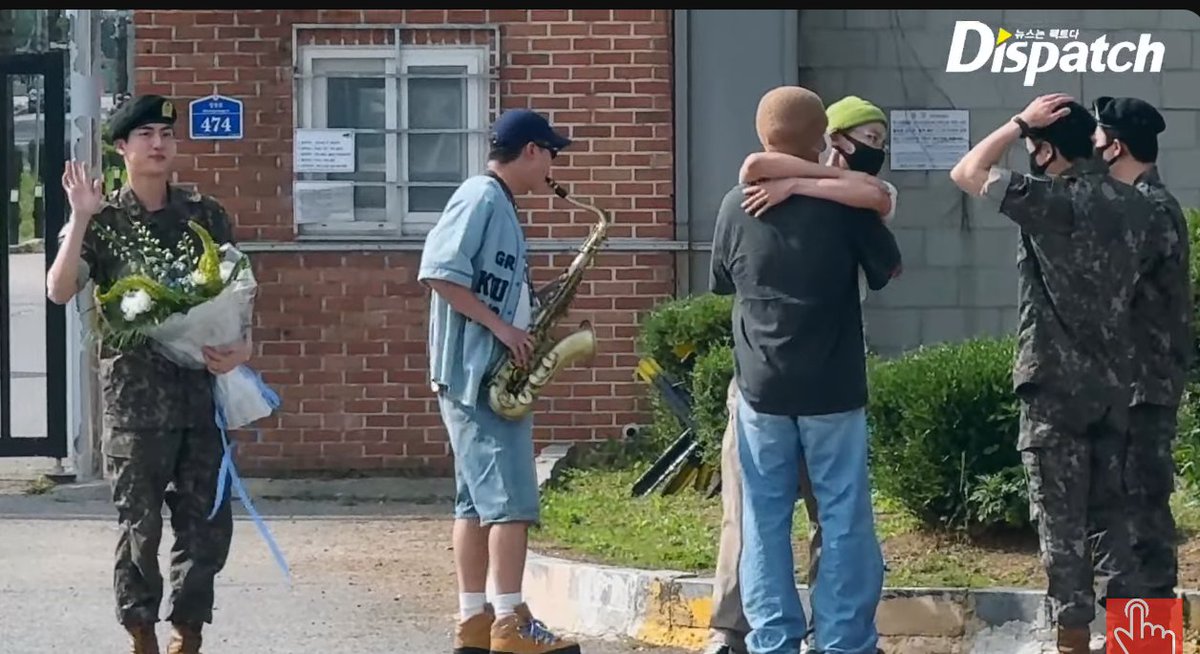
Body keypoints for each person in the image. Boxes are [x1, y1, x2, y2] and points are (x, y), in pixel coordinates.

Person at [949, 93, 1154, 654]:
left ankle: (1073, 642)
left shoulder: (1046, 202)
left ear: (1045, 151)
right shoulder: (1136, 205)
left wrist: (1018, 122)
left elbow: (967, 170)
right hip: (1115, 383)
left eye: (1037, 148)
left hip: (1054, 386)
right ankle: (1136, 643)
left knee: (1062, 524)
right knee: (1112, 519)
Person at [46, 94, 251, 654]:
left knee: (204, 520)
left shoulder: (204, 214)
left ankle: (189, 629)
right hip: (136, 403)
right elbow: (60, 290)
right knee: (140, 526)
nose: (158, 144)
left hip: (201, 397)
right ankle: (141, 630)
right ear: (122, 148)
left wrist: (241, 348)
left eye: (166, 134)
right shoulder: (106, 219)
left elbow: (238, 294)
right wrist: (81, 216)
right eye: (145, 136)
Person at [710, 85, 901, 654]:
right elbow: (889, 270)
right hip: (833, 387)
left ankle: (773, 640)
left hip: (761, 388)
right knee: (842, 515)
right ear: (822, 139)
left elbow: (724, 280)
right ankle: (844, 641)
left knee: (764, 522)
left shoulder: (732, 205)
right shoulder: (845, 206)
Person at [418, 108, 581, 654]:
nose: (553, 164)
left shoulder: (496, 203)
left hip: (477, 373)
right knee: (512, 501)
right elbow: (439, 270)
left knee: (473, 504)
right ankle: (511, 622)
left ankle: (475, 620)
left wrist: (534, 304)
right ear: (530, 150)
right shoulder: (482, 197)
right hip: (479, 374)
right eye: (551, 152)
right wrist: (504, 329)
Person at [1091, 96, 1192, 600]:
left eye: (1096, 141)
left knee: (1142, 524)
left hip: (1141, 390)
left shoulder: (1148, 210)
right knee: (1123, 521)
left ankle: (1149, 641)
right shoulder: (1137, 206)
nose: (1090, 152)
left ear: (1116, 147)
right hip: (1126, 386)